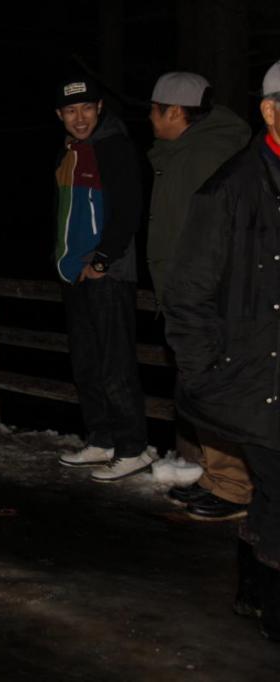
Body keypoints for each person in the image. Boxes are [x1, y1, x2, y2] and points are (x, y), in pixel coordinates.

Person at [163, 60, 280, 642]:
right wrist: (208, 372)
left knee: (273, 495)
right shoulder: (230, 190)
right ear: (270, 111)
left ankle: (252, 588)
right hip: (252, 375)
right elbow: (186, 295)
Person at [145, 71, 253, 519]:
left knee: (213, 388)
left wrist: (198, 293)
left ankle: (233, 487)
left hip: (205, 297)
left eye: (154, 110)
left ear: (174, 111)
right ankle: (215, 476)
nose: (149, 118)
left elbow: (214, 233)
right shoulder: (187, 151)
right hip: (190, 294)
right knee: (200, 388)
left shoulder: (206, 154)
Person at [50, 77, 154, 481]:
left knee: (115, 362)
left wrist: (102, 260)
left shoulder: (114, 147)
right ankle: (102, 438)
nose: (80, 118)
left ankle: (133, 447)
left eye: (87, 109)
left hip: (107, 272)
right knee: (87, 360)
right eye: (71, 111)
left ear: (99, 109)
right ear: (60, 115)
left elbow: (128, 208)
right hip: (75, 271)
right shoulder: (72, 151)